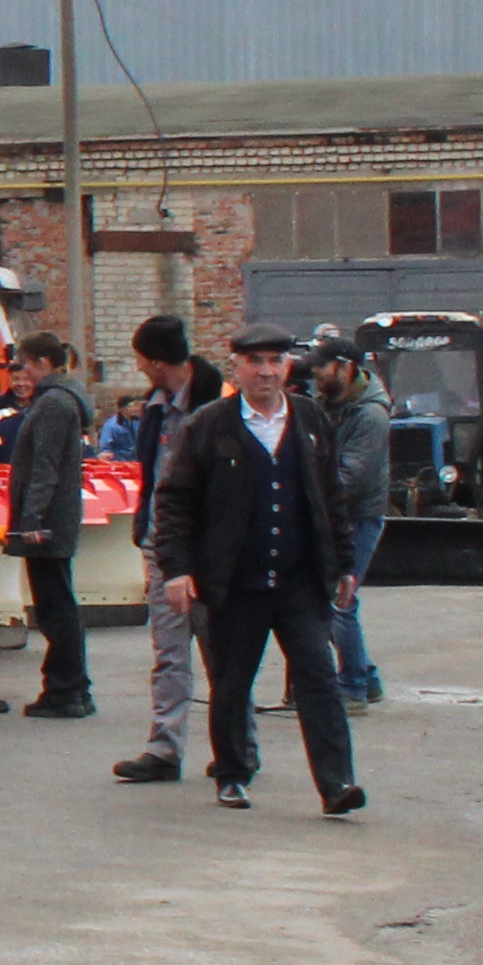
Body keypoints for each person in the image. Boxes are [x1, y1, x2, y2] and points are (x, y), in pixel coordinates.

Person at [147, 321, 367, 815]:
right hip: (234, 582)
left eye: (275, 362)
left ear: (288, 367)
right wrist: (178, 569)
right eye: (255, 363)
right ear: (238, 369)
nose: (266, 372)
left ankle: (337, 785)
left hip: (298, 580)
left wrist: (344, 564)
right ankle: (231, 773)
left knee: (319, 679)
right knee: (232, 680)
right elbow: (175, 501)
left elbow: (330, 498)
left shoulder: (310, 421)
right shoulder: (208, 425)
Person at [105, 314, 210, 786]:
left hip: (210, 551)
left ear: (156, 360)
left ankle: (239, 747)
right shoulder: (155, 407)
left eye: (143, 361)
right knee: (169, 654)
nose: (141, 370)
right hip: (162, 549)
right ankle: (164, 749)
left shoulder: (218, 406)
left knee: (224, 654)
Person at [0, 330, 98, 717]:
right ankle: (75, 688)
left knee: (55, 608)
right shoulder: (64, 400)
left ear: (42, 363)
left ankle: (64, 690)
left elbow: (45, 467)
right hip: (57, 519)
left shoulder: (53, 404)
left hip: (48, 522)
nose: (22, 373)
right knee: (60, 603)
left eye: (25, 364)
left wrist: (32, 520)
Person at [309, 330, 392, 704]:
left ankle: (354, 688)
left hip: (359, 516)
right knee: (324, 600)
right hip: (331, 512)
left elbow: (351, 478)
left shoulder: (371, 415)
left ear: (345, 368)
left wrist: (305, 496)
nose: (316, 378)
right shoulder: (327, 401)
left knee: (340, 601)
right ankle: (366, 676)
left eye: (321, 370)